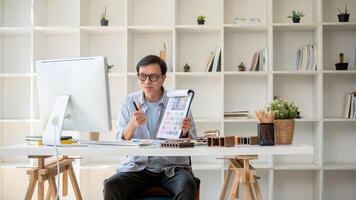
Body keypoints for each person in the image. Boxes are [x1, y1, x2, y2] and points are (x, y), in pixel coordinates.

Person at [103, 55, 198, 200]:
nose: (147, 82)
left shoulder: (179, 101)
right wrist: (132, 125)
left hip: (172, 167)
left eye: (153, 77)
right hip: (137, 167)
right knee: (112, 185)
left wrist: (185, 132)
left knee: (188, 185)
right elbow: (120, 140)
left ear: (163, 78)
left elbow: (194, 141)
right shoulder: (129, 102)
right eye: (142, 76)